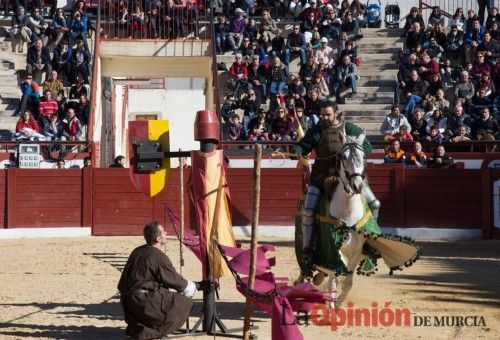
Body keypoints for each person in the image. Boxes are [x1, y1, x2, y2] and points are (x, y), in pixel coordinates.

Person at [291, 101, 380, 258]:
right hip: (321, 176)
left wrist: (353, 154)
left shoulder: (350, 129)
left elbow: (367, 146)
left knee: (374, 203)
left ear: (336, 113)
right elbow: (303, 145)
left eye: (328, 114)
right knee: (308, 211)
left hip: (348, 175)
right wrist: (296, 150)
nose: (324, 117)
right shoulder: (317, 130)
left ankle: (370, 240)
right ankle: (307, 249)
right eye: (322, 114)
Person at [118, 221, 201, 339]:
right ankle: (151, 331)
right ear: (158, 238)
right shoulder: (157, 255)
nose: (166, 233)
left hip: (128, 303)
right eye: (163, 232)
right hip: (142, 302)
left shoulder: (138, 250)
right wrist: (193, 286)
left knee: (165, 294)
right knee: (183, 303)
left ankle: (139, 328)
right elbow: (174, 280)